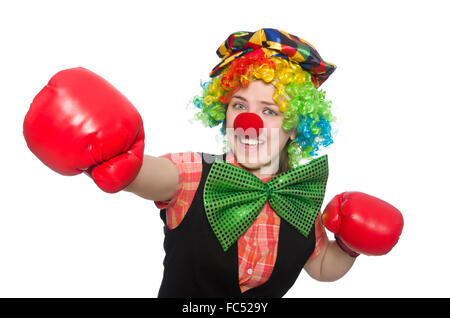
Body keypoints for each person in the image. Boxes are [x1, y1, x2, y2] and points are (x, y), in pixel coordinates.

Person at [23, 28, 404, 298]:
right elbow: (152, 173)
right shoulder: (192, 172)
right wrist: (122, 161)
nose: (248, 121)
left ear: (296, 127)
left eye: (269, 111)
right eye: (239, 105)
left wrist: (350, 248)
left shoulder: (300, 200)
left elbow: (321, 269)